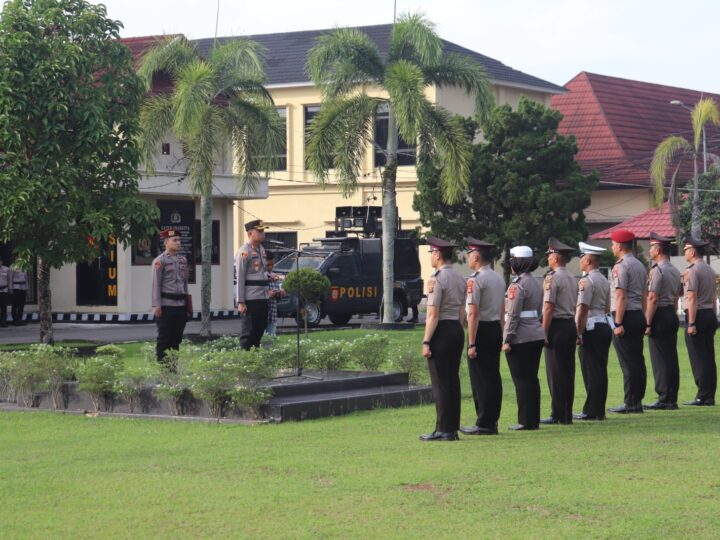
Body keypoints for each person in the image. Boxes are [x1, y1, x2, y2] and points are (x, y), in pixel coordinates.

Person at [420, 237, 466, 442]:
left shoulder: (436, 279)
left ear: (437, 254)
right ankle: (452, 427)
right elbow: (462, 311)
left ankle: (443, 429)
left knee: (440, 382)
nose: (431, 256)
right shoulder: (460, 277)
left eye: (431, 253)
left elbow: (432, 314)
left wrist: (426, 341)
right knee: (452, 381)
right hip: (456, 328)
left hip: (442, 331)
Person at [460, 237, 505, 436]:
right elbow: (503, 310)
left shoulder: (476, 280)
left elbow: (473, 313)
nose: (468, 258)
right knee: (493, 377)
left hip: (481, 330)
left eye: (470, 254)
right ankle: (491, 420)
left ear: (477, 256)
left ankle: (484, 422)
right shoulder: (498, 278)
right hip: (495, 328)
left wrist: (471, 342)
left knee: (481, 379)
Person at [502, 245, 545, 431]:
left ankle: (526, 420)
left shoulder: (517, 285)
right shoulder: (536, 282)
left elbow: (512, 315)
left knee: (522, 380)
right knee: (531, 378)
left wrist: (507, 339)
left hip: (521, 337)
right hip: (536, 333)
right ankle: (533, 419)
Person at [608, 229, 648, 414]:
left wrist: (617, 323)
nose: (612, 247)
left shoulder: (621, 266)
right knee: (637, 360)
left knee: (628, 362)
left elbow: (620, 295)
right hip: (638, 314)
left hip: (625, 316)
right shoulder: (639, 264)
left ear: (620, 246)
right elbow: (644, 294)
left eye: (613, 244)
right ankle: (637, 400)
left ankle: (630, 402)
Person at [541, 237, 579, 425]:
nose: (547, 259)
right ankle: (567, 412)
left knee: (555, 372)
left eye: (549, 255)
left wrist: (543, 331)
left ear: (555, 258)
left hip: (556, 326)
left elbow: (548, 307)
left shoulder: (552, 278)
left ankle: (558, 413)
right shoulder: (573, 277)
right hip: (570, 324)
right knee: (568, 371)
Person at [574, 241, 612, 421]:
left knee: (591, 370)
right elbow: (607, 306)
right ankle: (598, 409)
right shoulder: (604, 279)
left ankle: (592, 410)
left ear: (588, 259)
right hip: (603, 324)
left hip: (591, 327)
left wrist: (578, 332)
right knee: (600, 369)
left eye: (582, 257)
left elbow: (582, 309)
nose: (580, 260)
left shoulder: (586, 281)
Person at [644, 232, 682, 410]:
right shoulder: (675, 270)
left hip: (659, 314)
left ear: (658, 250)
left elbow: (652, 298)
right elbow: (676, 296)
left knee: (660, 358)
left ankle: (664, 397)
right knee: (671, 357)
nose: (649, 250)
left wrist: (648, 322)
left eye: (651, 247)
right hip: (670, 313)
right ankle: (672, 396)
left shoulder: (657, 270)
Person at [681, 236, 718, 406]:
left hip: (698, 315)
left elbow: (692, 298)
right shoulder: (710, 270)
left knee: (699, 358)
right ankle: (709, 394)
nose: (684, 253)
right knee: (709, 357)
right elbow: (713, 297)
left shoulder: (693, 271)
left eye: (686, 250)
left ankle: (702, 395)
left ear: (693, 252)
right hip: (709, 314)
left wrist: (691, 323)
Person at [151, 229, 189, 367]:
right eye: (175, 240)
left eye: (179, 240)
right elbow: (156, 284)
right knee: (164, 339)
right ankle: (164, 371)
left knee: (176, 339)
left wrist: (188, 304)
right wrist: (157, 306)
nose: (178, 243)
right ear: (166, 242)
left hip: (180, 306)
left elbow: (185, 284)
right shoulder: (159, 261)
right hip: (166, 307)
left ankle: (173, 369)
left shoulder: (182, 260)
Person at [235, 219, 270, 350]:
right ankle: (245, 361)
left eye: (263, 231)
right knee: (248, 332)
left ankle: (255, 359)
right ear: (250, 233)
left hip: (263, 296)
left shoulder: (261, 249)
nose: (263, 233)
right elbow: (240, 277)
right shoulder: (244, 251)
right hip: (251, 298)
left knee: (259, 330)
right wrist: (240, 301)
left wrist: (269, 277)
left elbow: (261, 271)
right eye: (260, 231)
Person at [265, 251, 285, 338]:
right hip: (262, 315)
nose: (270, 267)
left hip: (272, 315)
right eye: (268, 265)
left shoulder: (274, 276)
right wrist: (267, 295)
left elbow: (277, 299)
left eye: (272, 265)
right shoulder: (258, 277)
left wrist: (280, 294)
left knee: (270, 341)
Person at [9, 260, 29, 326]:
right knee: (15, 305)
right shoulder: (12, 266)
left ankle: (19, 320)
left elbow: (26, 278)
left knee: (21, 305)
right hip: (15, 287)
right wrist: (11, 288)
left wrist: (27, 288)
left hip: (23, 287)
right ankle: (15, 320)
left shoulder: (24, 266)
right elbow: (10, 278)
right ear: (15, 258)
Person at [0, 257, 9, 328]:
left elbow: (10, 279)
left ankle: (3, 322)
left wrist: (10, 288)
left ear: (1, 262)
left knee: (4, 307)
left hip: (4, 290)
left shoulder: (6, 269)